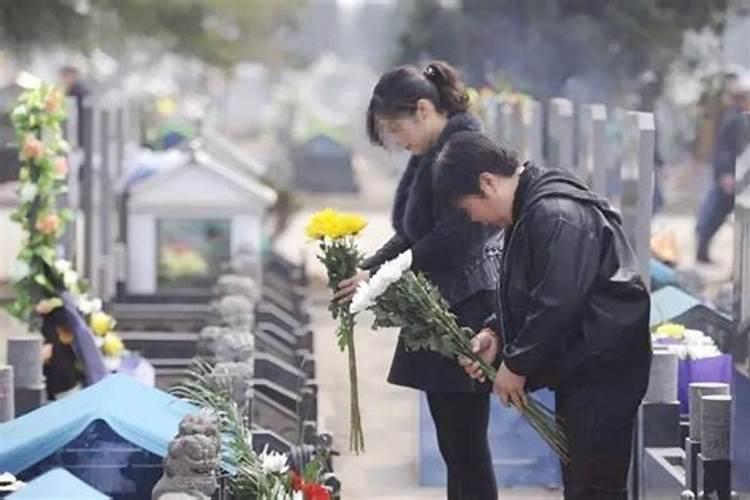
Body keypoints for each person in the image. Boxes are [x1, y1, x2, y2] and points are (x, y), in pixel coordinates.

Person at [432, 131, 652, 500]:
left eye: (471, 209)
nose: (478, 219)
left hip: (604, 368)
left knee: (595, 486)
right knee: (581, 481)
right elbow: (533, 290)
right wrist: (496, 333)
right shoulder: (532, 210)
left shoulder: (555, 214)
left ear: (487, 182)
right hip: (585, 363)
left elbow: (558, 302)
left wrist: (515, 365)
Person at [336, 62, 502, 500]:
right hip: (438, 300)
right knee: (453, 442)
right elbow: (412, 233)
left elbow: (452, 238)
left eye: (396, 128)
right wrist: (370, 271)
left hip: (464, 306)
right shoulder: (429, 154)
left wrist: (384, 276)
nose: (396, 140)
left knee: (465, 443)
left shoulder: (464, 151)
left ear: (424, 109)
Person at [695, 76, 750, 263]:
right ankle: (702, 248)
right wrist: (727, 174)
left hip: (732, 174)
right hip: (730, 175)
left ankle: (702, 247)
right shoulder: (735, 119)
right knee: (716, 211)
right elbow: (728, 149)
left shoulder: (734, 117)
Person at [58, 65, 90, 147]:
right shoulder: (64, 90)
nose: (64, 79)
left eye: (66, 76)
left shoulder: (80, 92)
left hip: (80, 130)